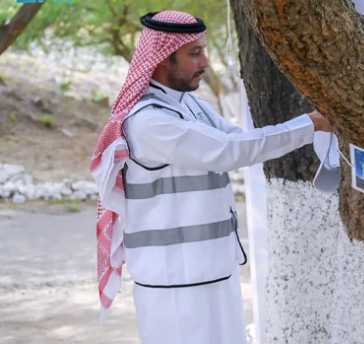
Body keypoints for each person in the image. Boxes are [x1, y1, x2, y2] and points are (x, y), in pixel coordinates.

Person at [90, 10, 332, 344]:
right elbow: (232, 150)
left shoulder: (192, 106)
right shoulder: (149, 123)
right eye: (194, 53)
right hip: (174, 282)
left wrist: (309, 125)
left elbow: (239, 142)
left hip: (214, 272)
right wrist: (311, 124)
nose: (205, 61)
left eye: (204, 50)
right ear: (162, 59)